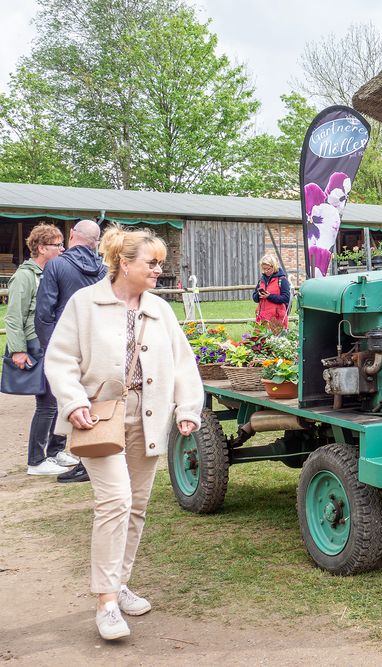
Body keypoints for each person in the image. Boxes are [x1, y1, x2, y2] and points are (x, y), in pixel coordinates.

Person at [44, 225, 203, 641]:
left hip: (148, 418)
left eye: (160, 263)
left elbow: (183, 363)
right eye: (151, 263)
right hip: (98, 419)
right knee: (114, 502)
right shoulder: (85, 304)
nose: (158, 270)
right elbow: (60, 359)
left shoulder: (160, 310)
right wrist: (74, 401)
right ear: (123, 263)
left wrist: (187, 408)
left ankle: (119, 583)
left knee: (136, 506)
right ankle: (106, 602)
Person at [34, 219, 108, 484]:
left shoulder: (56, 265)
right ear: (95, 241)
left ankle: (83, 462)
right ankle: (91, 461)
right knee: (96, 400)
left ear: (73, 235)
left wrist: (51, 349)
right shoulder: (103, 268)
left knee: (71, 401)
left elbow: (44, 313)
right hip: (99, 343)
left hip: (66, 343)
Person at [3, 223, 78, 476]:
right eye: (57, 244)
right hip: (35, 343)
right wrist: (18, 350)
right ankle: (36, 461)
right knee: (46, 403)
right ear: (42, 248)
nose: (62, 248)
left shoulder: (54, 272)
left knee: (59, 398)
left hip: (54, 342)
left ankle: (56, 452)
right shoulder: (25, 276)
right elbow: (13, 317)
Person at [251, 252, 291, 330]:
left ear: (274, 266)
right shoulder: (261, 281)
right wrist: (259, 295)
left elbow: (286, 298)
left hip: (277, 318)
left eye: (268, 269)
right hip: (263, 318)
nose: (266, 271)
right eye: (264, 269)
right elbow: (255, 298)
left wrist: (269, 296)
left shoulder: (282, 280)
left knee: (276, 340)